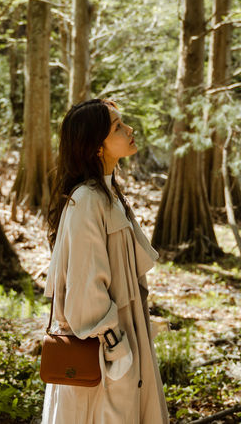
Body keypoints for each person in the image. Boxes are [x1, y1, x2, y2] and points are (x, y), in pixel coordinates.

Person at [41, 98, 169, 424]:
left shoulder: (108, 194)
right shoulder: (87, 200)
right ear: (97, 147)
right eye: (117, 127)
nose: (129, 130)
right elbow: (85, 287)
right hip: (102, 356)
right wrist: (116, 348)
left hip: (123, 344)